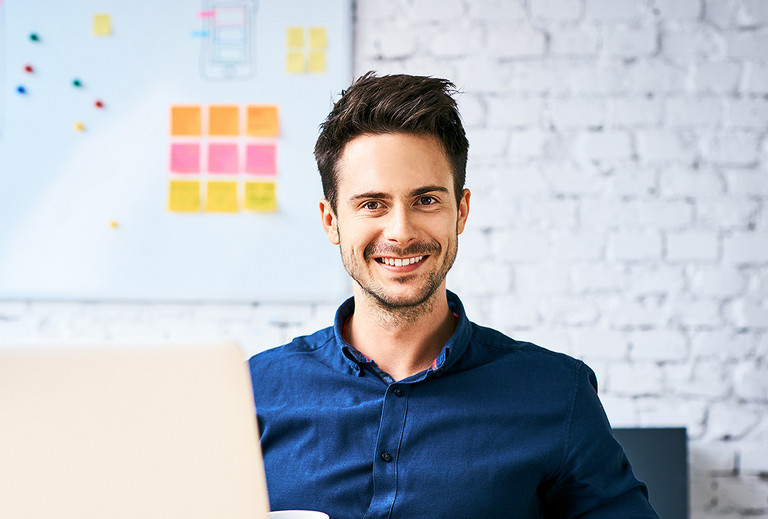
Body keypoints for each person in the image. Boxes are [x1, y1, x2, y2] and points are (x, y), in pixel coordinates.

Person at [249, 72, 658, 519]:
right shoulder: (253, 392)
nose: (401, 232)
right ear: (331, 220)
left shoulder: (557, 393)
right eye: (372, 204)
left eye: (425, 200)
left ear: (460, 211)